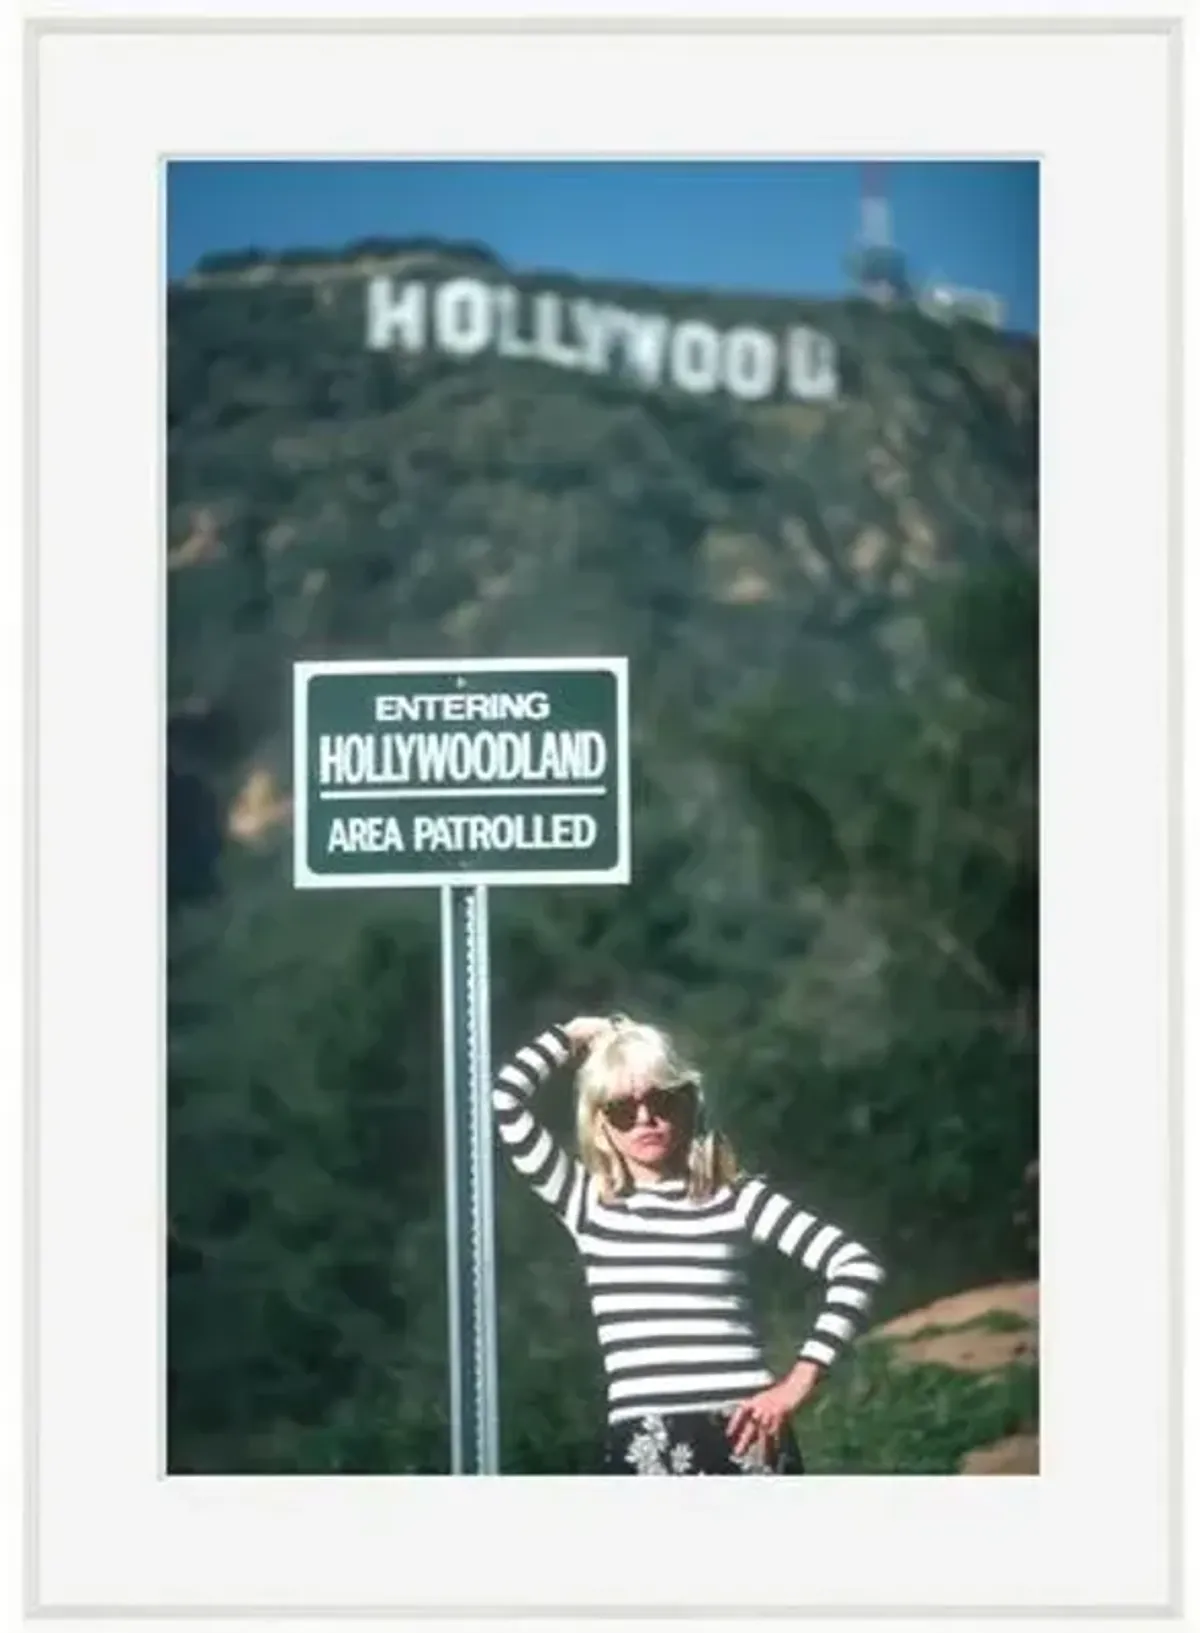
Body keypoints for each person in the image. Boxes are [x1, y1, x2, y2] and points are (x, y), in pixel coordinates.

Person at [492, 1012, 886, 1476]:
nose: (645, 1118)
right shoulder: (585, 1202)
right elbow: (505, 1100)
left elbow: (855, 1267)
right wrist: (574, 1034)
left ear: (687, 1102)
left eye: (660, 1099)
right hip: (643, 1442)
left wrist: (797, 1383)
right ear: (601, 1125)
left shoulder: (736, 1198)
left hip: (747, 1435)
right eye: (622, 1108)